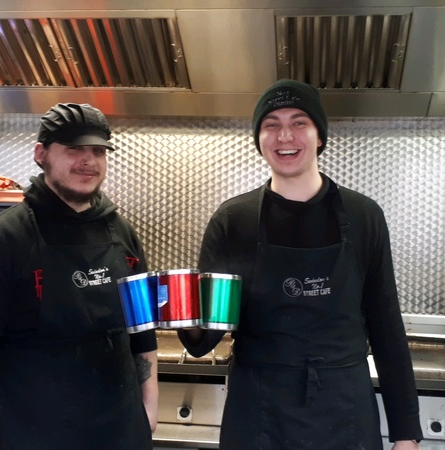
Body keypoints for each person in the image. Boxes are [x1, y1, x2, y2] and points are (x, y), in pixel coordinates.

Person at [178, 80, 422, 449]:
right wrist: (177, 310)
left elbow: (386, 326)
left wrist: (406, 433)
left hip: (345, 409)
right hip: (259, 408)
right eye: (271, 124)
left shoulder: (363, 217)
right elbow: (204, 339)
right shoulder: (234, 221)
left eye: (299, 122)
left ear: (319, 136)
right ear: (259, 140)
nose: (284, 135)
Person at [0, 103, 158, 450]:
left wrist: (149, 407)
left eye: (98, 150)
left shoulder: (121, 232)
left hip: (121, 430)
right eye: (74, 148)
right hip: (34, 433)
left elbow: (142, 326)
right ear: (41, 154)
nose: (88, 160)